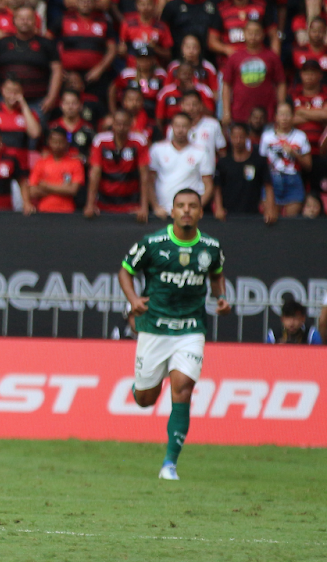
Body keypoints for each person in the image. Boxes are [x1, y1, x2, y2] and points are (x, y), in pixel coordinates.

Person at [117, 188, 230, 481]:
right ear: (173, 211)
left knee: (182, 388)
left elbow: (216, 274)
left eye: (192, 205)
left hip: (191, 328)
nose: (187, 210)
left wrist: (221, 297)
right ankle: (142, 386)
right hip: (154, 327)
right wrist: (133, 300)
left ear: (200, 212)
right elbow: (125, 270)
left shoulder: (211, 246)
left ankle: (170, 464)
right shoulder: (153, 243)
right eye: (181, 206)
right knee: (145, 399)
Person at [148, 112, 214, 217]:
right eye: (177, 126)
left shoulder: (201, 152)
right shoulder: (157, 149)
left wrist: (196, 209)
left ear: (190, 127)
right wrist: (155, 206)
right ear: (171, 127)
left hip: (189, 215)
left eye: (184, 126)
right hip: (162, 212)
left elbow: (209, 186)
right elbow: (149, 181)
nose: (180, 130)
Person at [259, 101, 314, 217]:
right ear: (276, 117)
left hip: (293, 179)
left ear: (293, 116)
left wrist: (295, 154)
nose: (284, 118)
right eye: (281, 114)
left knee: (291, 224)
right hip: (272, 180)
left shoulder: (301, 136)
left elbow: (308, 165)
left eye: (288, 114)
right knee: (271, 219)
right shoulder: (266, 136)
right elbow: (261, 164)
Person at [214, 124, 275, 222]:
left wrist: (270, 209)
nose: (238, 140)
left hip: (253, 215)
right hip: (228, 215)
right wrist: (218, 207)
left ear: (247, 137)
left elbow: (268, 186)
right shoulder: (223, 162)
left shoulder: (259, 161)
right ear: (230, 138)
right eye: (234, 137)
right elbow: (217, 187)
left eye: (241, 137)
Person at [27, 126, 86, 214]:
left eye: (60, 142)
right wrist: (63, 189)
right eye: (54, 142)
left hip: (67, 211)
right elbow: (32, 192)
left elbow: (73, 190)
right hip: (44, 210)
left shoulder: (75, 163)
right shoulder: (40, 163)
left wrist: (46, 186)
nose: (57, 145)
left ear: (67, 142)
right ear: (49, 142)